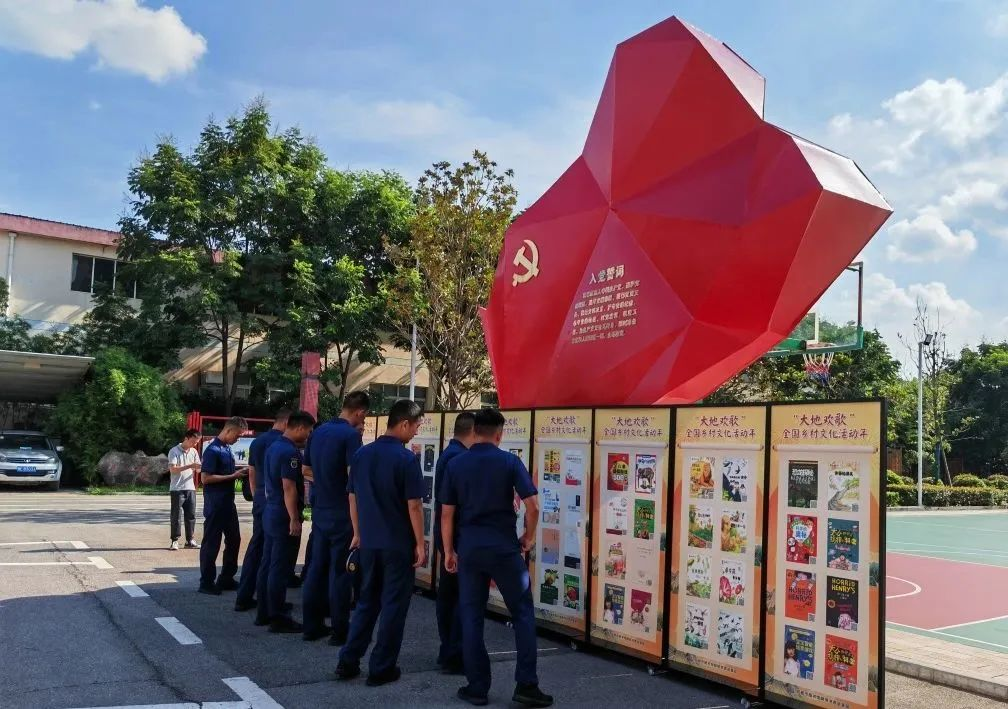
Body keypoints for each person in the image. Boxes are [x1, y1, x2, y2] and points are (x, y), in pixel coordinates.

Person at [441, 408, 552, 707]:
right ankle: (526, 685)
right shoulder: (510, 462)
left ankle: (477, 687)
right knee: (523, 614)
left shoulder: (456, 464)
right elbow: (534, 506)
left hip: (470, 551)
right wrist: (528, 537)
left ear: (475, 431)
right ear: (499, 434)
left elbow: (447, 514)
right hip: (504, 550)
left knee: (471, 615)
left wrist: (449, 550)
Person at [335, 399, 427, 687]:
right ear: (404, 424)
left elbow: (352, 497)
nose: (415, 432)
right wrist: (420, 544)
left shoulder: (362, 455)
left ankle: (348, 660)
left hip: (369, 543)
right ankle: (381, 667)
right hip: (397, 545)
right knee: (393, 607)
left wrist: (358, 532)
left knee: (366, 603)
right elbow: (414, 506)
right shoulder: (406, 459)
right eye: (415, 427)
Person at [301, 391, 370, 644]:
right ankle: (340, 630)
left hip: (320, 510)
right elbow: (355, 480)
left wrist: (325, 483)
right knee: (341, 571)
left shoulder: (318, 431)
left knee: (316, 568)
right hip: (342, 512)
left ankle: (311, 626)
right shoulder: (351, 436)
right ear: (360, 411)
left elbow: (306, 469)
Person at [255, 410, 316, 632]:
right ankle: (278, 617)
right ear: (299, 428)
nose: (308, 436)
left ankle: (264, 612)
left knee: (268, 564)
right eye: (308, 432)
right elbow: (289, 487)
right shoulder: (289, 452)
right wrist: (294, 518)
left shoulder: (273, 447)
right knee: (280, 568)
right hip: (283, 514)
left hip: (271, 511)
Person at [432, 411, 476, 673]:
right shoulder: (461, 459)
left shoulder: (447, 454)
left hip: (445, 534)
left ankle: (447, 649)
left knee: (447, 596)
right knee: (460, 597)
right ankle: (454, 653)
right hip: (457, 537)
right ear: (472, 432)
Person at [235, 409, 290, 612]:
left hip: (260, 497)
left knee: (257, 547)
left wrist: (258, 493)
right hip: (276, 500)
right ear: (286, 423)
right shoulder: (283, 443)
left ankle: (244, 596)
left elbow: (251, 472)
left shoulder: (257, 442)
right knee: (274, 554)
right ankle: (271, 603)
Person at [197, 417, 249, 595]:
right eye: (238, 435)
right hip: (215, 504)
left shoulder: (227, 449)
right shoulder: (213, 450)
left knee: (234, 539)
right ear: (228, 430)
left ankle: (226, 578)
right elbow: (206, 478)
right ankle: (206, 582)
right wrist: (234, 476)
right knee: (212, 542)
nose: (238, 439)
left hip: (228, 503)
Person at [167, 429, 202, 551]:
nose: (195, 444)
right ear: (186, 438)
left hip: (190, 488)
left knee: (191, 515)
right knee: (176, 515)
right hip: (177, 488)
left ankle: (190, 540)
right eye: (193, 441)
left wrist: (200, 468)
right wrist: (191, 466)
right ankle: (175, 540)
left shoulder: (194, 452)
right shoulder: (174, 451)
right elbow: (173, 470)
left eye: (197, 442)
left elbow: (198, 469)